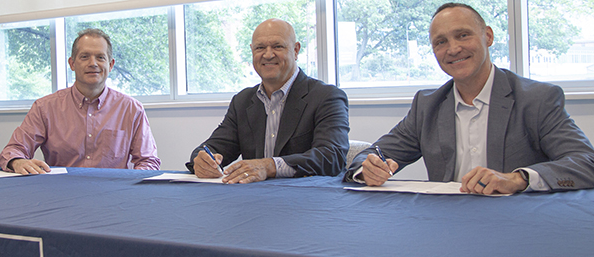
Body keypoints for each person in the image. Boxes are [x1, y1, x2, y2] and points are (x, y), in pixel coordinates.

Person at [345, 2, 594, 194]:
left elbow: (586, 163)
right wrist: (368, 168)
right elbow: (371, 154)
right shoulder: (427, 105)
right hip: (448, 226)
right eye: (440, 42)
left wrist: (519, 178)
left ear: (488, 36)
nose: (453, 49)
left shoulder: (537, 99)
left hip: (520, 224)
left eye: (463, 35)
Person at [186, 18, 349, 184]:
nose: (268, 55)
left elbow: (331, 158)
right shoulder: (242, 101)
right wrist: (202, 160)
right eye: (260, 47)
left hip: (309, 199)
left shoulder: (327, 96)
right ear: (252, 51)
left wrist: (269, 166)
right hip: (255, 200)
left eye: (277, 46)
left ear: (296, 50)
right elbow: (213, 148)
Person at [0, 28, 160, 174]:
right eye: (84, 57)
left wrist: (132, 186)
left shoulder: (131, 109)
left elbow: (148, 161)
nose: (93, 63)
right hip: (61, 193)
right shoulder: (44, 108)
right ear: (72, 63)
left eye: (100, 57)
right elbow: (13, 150)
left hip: (114, 194)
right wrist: (18, 161)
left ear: (110, 65)